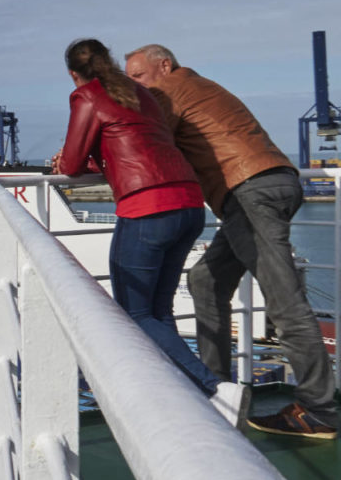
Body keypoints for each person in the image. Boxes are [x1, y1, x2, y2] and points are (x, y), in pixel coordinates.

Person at [127, 44, 338, 439]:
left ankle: (319, 409)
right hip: (267, 185)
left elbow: (147, 143)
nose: (134, 85)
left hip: (248, 192)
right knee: (205, 281)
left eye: (137, 76)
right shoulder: (202, 86)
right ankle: (217, 387)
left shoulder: (167, 92)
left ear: (164, 65)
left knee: (285, 303)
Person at [54, 39, 246, 424]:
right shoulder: (140, 92)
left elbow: (73, 162)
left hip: (147, 207)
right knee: (158, 311)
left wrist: (70, 159)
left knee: (134, 313)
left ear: (74, 74)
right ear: (108, 63)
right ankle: (186, 395)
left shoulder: (86, 96)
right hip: (189, 204)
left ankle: (215, 389)